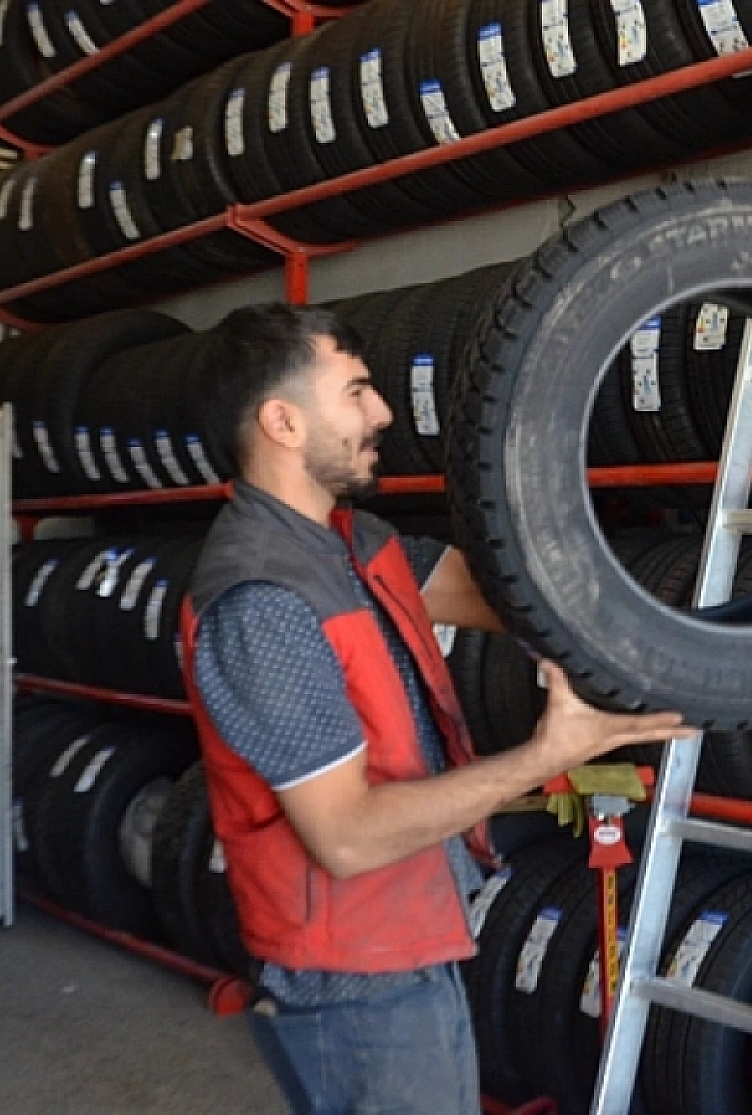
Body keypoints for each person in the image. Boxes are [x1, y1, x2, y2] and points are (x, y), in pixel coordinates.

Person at [180, 303, 688, 1115]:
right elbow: (346, 835)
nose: (382, 412)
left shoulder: (353, 542)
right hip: (351, 976)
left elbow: (516, 601)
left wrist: (685, 648)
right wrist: (546, 753)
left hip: (407, 939)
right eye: (355, 392)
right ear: (282, 421)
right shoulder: (262, 601)